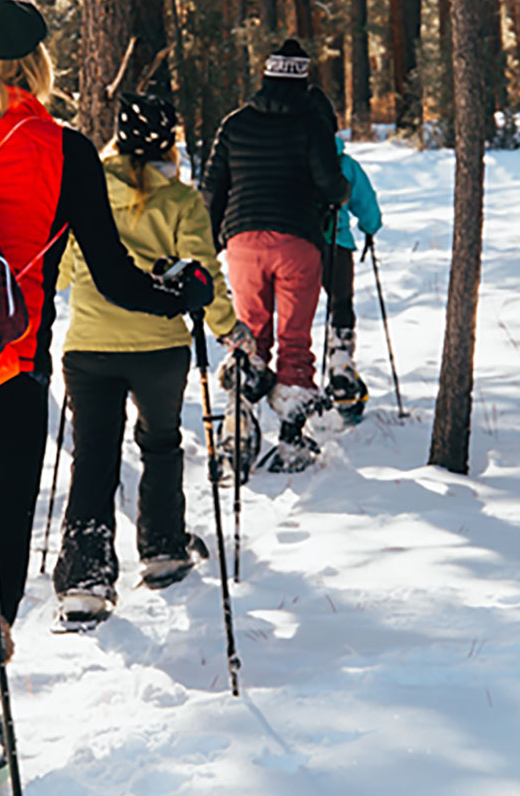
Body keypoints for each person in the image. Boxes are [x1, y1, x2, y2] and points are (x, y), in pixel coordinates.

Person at [0, 0, 211, 776]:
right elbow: (120, 281)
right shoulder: (65, 150)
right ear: (37, 68)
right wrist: (180, 294)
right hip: (2, 377)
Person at [51, 91, 254, 624]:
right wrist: (229, 329)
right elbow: (201, 276)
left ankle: (85, 579)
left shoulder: (86, 185)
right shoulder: (183, 200)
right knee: (161, 442)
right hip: (160, 347)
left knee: (93, 455)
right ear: (170, 140)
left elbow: (69, 270)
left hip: (90, 343)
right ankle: (163, 549)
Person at [200, 39, 350, 472]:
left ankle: (238, 425)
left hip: (243, 243)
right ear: (303, 80)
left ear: (265, 76)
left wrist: (210, 244)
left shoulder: (235, 123)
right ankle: (293, 436)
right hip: (298, 242)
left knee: (250, 337)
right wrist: (340, 194)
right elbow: (330, 182)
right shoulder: (311, 123)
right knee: (295, 340)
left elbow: (212, 189)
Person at [311, 96, 383, 422]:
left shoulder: (295, 159)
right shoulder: (347, 164)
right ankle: (341, 362)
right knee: (341, 305)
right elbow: (366, 203)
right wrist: (370, 228)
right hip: (338, 246)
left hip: (301, 247)